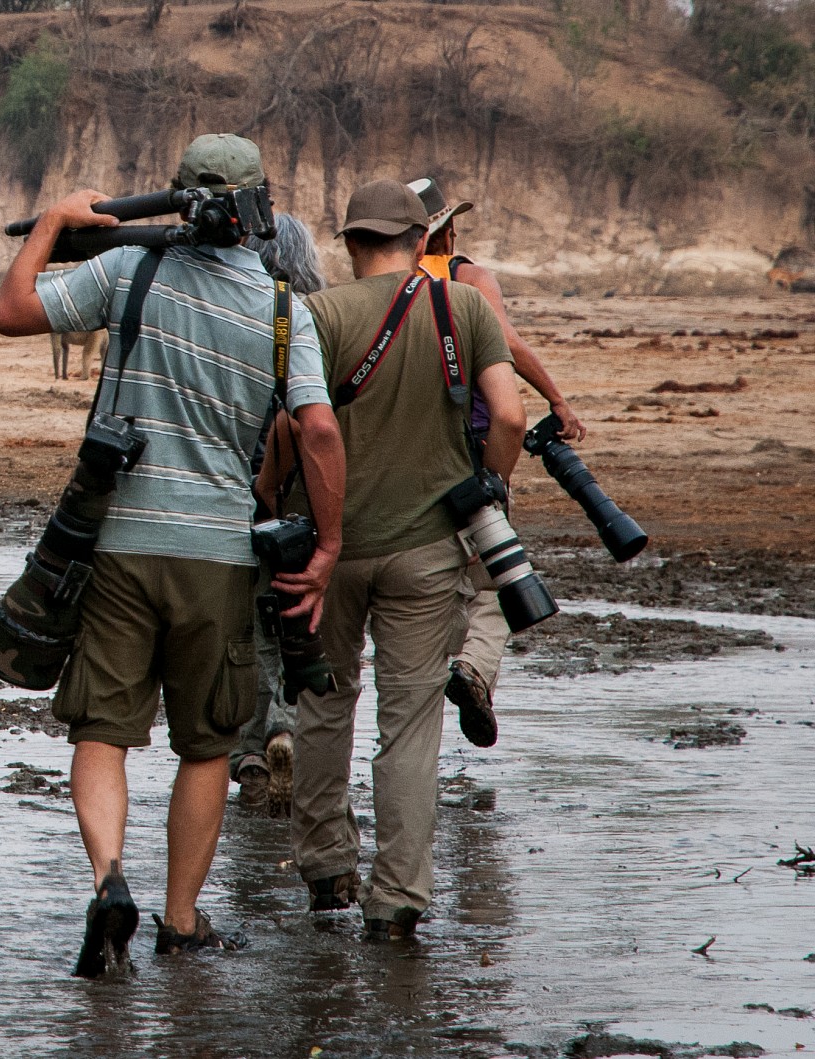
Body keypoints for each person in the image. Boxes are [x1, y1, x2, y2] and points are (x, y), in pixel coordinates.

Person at [0, 133, 346, 976]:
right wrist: (328, 544)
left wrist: (52, 222)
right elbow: (319, 431)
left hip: (118, 544)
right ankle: (181, 921)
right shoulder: (284, 310)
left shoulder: (128, 271)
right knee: (208, 744)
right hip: (218, 555)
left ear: (178, 196)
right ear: (258, 210)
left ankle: (110, 879)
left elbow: (10, 311)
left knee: (102, 731)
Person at [277, 180, 524, 940]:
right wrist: (486, 488)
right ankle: (396, 901)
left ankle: (326, 870)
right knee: (410, 725)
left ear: (350, 243)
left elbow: (291, 430)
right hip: (426, 551)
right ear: (420, 241)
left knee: (324, 704)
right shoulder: (464, 307)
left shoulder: (316, 314)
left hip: (327, 551)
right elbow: (511, 417)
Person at [405, 177, 585, 749]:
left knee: (426, 584)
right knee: (495, 580)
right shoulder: (469, 277)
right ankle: (475, 669)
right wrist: (557, 399)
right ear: (447, 230)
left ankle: (422, 718)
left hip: (406, 458)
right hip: (473, 451)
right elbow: (504, 342)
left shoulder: (388, 286)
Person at [231, 212, 329, 817]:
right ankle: (286, 727)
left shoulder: (236, 312)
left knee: (248, 625)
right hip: (303, 496)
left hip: (242, 490)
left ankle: (249, 752)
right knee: (297, 619)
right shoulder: (316, 318)